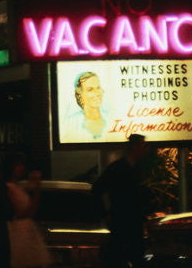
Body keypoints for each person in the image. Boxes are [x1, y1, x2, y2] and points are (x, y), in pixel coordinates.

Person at [93, 134, 150, 268]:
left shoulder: (136, 168)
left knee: (135, 256)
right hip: (121, 221)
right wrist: (104, 214)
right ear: (135, 148)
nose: (145, 149)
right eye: (143, 146)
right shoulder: (118, 168)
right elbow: (97, 189)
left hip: (133, 221)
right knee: (120, 257)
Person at [2, 153, 51, 268]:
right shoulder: (8, 187)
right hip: (18, 230)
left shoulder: (19, 186)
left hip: (26, 228)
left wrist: (36, 188)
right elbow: (19, 212)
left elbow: (32, 210)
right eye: (17, 165)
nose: (21, 168)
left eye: (21, 165)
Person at [64, 71, 107, 141]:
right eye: (90, 89)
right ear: (80, 95)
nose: (97, 93)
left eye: (98, 87)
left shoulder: (111, 118)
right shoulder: (70, 122)